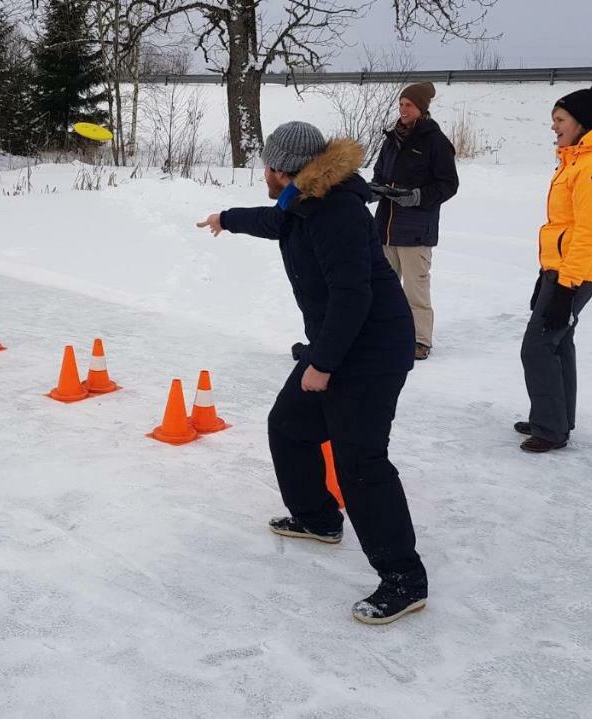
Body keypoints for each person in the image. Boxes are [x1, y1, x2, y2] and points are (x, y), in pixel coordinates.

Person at [196, 122, 428, 625]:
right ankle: (319, 518)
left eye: (266, 167)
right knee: (290, 426)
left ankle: (404, 579)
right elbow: (277, 222)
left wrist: (322, 365)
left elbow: (353, 296)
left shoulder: (335, 211)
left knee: (361, 461)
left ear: (281, 169)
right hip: (339, 341)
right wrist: (227, 218)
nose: (264, 174)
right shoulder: (304, 200)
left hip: (370, 348)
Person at [518, 84, 592, 453]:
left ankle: (550, 428)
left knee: (538, 346)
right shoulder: (575, 160)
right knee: (558, 343)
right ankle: (556, 417)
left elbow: (588, 233)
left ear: (581, 122)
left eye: (559, 120)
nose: (554, 127)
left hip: (575, 272)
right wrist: (547, 272)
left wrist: (566, 286)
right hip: (560, 268)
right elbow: (563, 227)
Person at [369, 81, 459, 362]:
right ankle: (382, 335)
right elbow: (380, 174)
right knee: (382, 286)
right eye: (401, 104)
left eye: (408, 105)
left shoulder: (436, 142)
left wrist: (418, 196)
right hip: (385, 227)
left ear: (421, 108)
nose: (403, 109)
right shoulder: (391, 139)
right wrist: (373, 191)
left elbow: (448, 184)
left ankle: (420, 340)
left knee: (415, 288)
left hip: (416, 230)